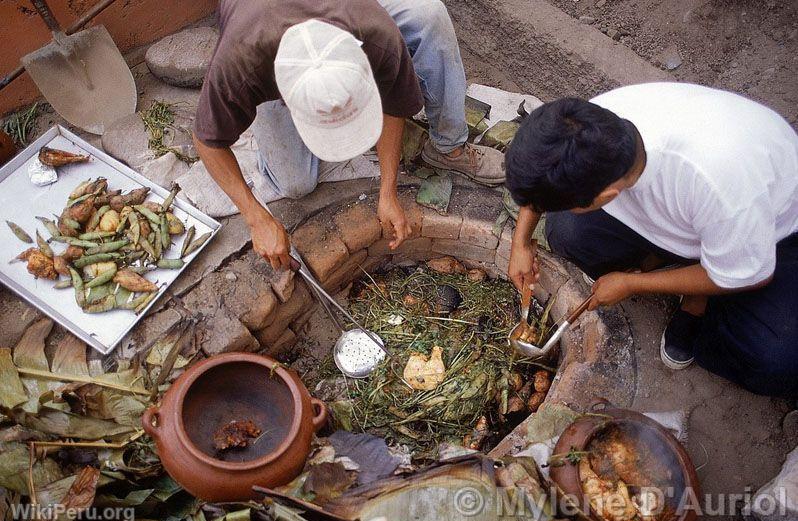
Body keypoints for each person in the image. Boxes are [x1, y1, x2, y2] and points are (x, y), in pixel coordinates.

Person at [505, 82, 798, 398]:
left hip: (770, 233)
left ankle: (698, 303)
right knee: (566, 232)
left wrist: (634, 284)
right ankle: (674, 262)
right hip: (690, 220)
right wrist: (520, 243)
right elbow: (541, 177)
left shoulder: (719, 185)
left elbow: (753, 276)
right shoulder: (589, 124)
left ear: (607, 195)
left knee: (774, 359)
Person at [193, 0, 504, 271]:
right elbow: (206, 141)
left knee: (430, 15)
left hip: (344, 12)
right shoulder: (239, 66)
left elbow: (394, 103)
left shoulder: (376, 34)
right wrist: (256, 218)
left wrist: (388, 190)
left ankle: (448, 146)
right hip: (263, 26)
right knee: (295, 183)